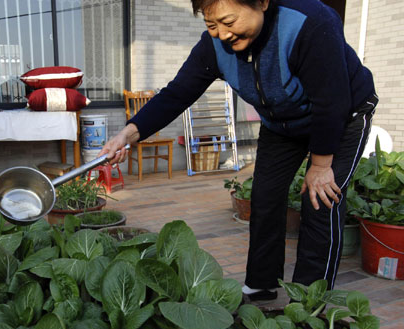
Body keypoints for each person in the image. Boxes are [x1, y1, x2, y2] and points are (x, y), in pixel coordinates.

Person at [99, 0, 377, 300]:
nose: (222, 34)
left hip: (342, 114)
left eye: (228, 22)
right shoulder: (214, 46)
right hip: (282, 123)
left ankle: (310, 303)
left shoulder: (309, 23)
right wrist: (128, 134)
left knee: (320, 198)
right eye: (211, 24)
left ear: (261, 2)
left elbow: (331, 100)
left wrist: (321, 167)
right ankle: (261, 286)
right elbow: (177, 93)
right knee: (264, 196)